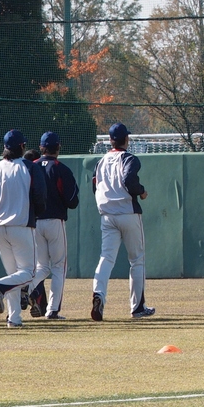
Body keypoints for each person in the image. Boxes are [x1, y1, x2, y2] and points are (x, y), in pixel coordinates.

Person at [0, 130, 47, 328]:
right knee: (28, 273)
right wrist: (34, 214)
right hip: (21, 225)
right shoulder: (29, 167)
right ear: (21, 146)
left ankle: (14, 318)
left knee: (13, 274)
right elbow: (40, 197)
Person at [91, 122, 154, 320]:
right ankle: (137, 308)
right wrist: (141, 191)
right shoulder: (128, 158)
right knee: (137, 260)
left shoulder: (101, 161)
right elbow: (129, 180)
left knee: (106, 258)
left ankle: (98, 294)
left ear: (110, 140)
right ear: (126, 139)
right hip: (128, 212)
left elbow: (95, 185)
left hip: (107, 215)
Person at [25, 132, 79, 319]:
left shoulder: (30, 167)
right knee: (58, 266)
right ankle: (52, 310)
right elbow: (72, 201)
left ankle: (27, 287)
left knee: (41, 266)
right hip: (55, 221)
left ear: (41, 147)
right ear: (58, 147)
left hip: (34, 223)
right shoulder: (60, 168)